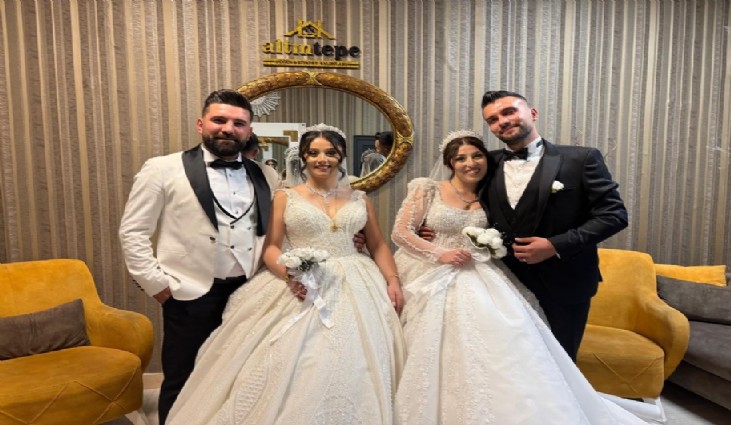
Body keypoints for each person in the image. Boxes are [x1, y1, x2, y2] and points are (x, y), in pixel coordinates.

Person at [392, 131, 646, 424]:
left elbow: (611, 215)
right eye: (460, 158)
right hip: (433, 272)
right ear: (449, 163)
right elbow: (401, 232)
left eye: (476, 156)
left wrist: (552, 244)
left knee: (511, 348)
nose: (470, 163)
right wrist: (437, 247)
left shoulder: (491, 187)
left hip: (497, 272)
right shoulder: (430, 188)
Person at [166, 124, 406, 425]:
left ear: (342, 156)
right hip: (299, 278)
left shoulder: (360, 197)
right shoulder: (285, 197)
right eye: (314, 153)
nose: (322, 159)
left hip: (356, 280)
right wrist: (291, 276)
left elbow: (378, 244)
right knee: (294, 359)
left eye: (331, 153)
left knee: (355, 359)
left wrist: (393, 280)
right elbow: (271, 248)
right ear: (303, 157)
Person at [119, 89, 277, 424]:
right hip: (189, 292)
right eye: (220, 120)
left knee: (239, 376)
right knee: (182, 378)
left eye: (238, 123)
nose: (228, 128)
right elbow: (133, 232)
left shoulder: (266, 175)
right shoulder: (162, 168)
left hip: (250, 292)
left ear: (248, 131)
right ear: (201, 124)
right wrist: (157, 284)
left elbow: (282, 228)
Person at [478, 90, 628, 360]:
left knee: (560, 364)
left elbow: (614, 215)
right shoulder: (486, 163)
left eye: (509, 111)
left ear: (533, 113)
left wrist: (554, 245)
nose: (502, 121)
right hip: (505, 285)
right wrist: (430, 231)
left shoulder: (581, 159)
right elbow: (462, 203)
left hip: (565, 284)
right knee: (509, 363)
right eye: (493, 119)